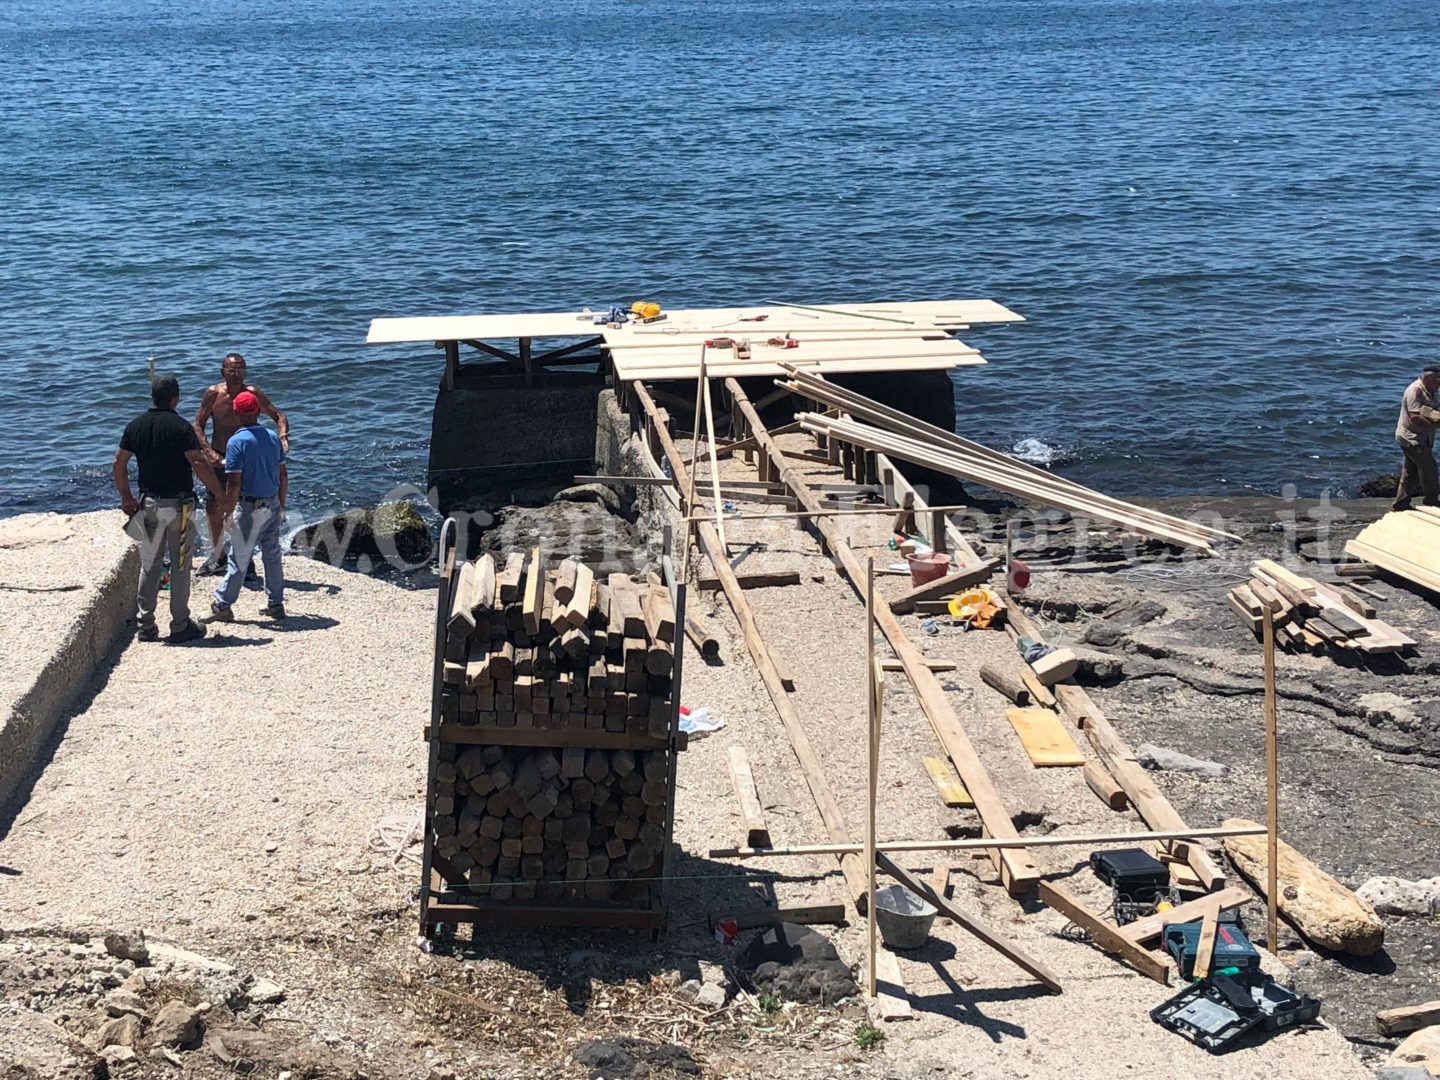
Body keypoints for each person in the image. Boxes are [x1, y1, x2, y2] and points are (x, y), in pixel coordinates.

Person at [114, 374, 226, 643]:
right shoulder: (180, 427)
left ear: (153, 397)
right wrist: (219, 492)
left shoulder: (136, 426)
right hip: (180, 506)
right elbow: (198, 463)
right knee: (180, 565)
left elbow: (119, 463)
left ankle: (146, 625)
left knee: (150, 565)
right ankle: (179, 624)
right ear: (176, 398)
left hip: (149, 504)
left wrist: (126, 498)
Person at [193, 352, 289, 574]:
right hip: (219, 456)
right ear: (222, 372)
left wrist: (282, 437)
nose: (236, 374)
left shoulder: (251, 394)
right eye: (231, 370)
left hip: (247, 458)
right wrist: (207, 451)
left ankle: (246, 557)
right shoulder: (213, 394)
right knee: (212, 507)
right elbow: (197, 424)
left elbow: (278, 416)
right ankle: (218, 556)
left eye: (240, 369)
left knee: (244, 507)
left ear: (246, 371)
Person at [202, 391, 288, 623]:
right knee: (272, 555)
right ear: (258, 411)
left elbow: (235, 482)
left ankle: (222, 604)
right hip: (272, 503)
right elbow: (282, 475)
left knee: (238, 558)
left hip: (250, 507)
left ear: (237, 413)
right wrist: (282, 504)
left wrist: (228, 511)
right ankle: (276, 603)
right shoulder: (272, 437)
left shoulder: (236, 442)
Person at [1393, 363, 1440, 512]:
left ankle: (1401, 503)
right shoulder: (1415, 390)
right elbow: (1414, 417)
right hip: (1411, 437)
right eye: (1438, 379)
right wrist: (1436, 425)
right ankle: (1431, 501)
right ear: (1429, 377)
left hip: (1423, 438)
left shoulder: (1432, 390)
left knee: (1410, 470)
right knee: (1429, 468)